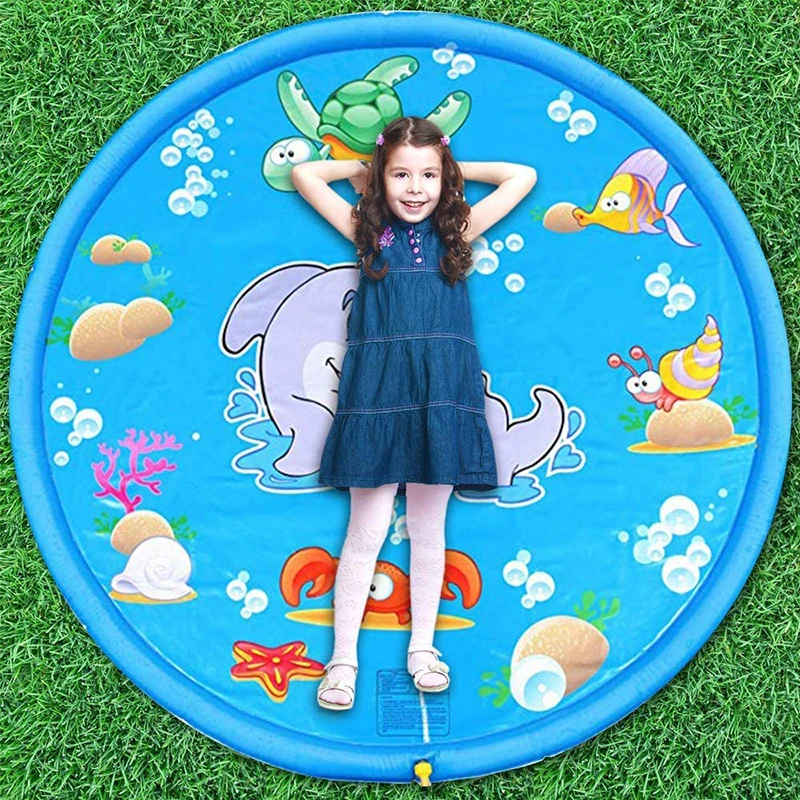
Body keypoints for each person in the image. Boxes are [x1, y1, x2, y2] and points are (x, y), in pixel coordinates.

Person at [290, 116, 538, 711]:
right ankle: (342, 661)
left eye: (428, 176)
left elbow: (522, 176)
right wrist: (369, 168)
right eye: (401, 175)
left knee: (430, 530)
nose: (415, 188)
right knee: (366, 531)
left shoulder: (457, 231)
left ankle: (422, 649)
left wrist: (450, 170)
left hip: (441, 392)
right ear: (383, 177)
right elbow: (305, 174)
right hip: (377, 395)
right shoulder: (368, 231)